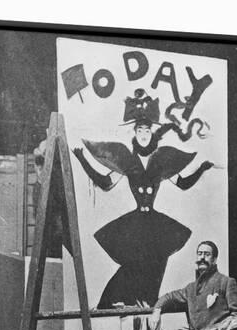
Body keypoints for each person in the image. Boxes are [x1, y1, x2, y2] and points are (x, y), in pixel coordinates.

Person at [72, 89, 214, 310]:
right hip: (135, 223)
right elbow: (104, 182)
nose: (144, 133)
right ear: (135, 133)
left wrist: (201, 169)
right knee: (132, 262)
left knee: (158, 260)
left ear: (152, 133)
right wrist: (82, 159)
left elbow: (183, 183)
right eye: (140, 130)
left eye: (147, 129)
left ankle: (147, 300)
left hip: (155, 223)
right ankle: (111, 300)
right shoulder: (128, 161)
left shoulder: (161, 161)